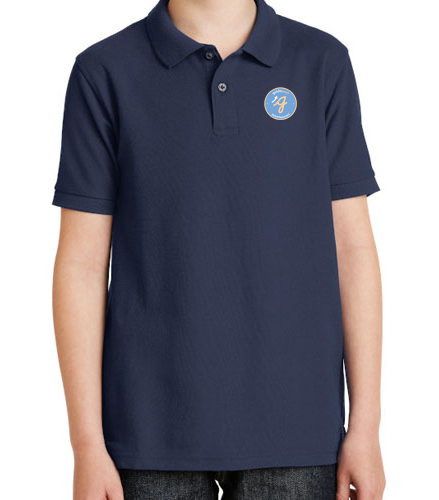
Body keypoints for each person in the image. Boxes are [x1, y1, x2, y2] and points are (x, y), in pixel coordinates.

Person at [52, 0, 386, 498]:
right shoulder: (104, 71)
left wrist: (366, 427)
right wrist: (86, 445)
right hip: (147, 433)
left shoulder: (321, 62)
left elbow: (352, 250)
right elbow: (80, 264)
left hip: (297, 429)